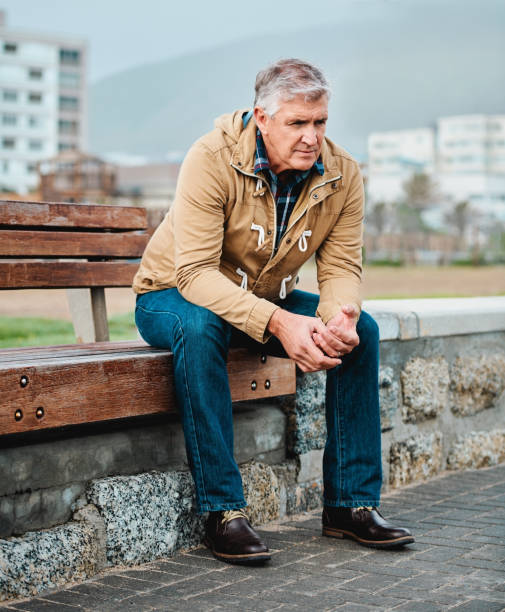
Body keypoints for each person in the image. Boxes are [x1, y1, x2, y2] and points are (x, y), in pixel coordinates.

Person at [133, 58, 414, 565]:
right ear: (262, 118)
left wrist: (340, 315)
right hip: (171, 296)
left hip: (263, 299)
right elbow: (194, 275)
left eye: (320, 122)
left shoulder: (343, 173)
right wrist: (278, 323)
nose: (312, 137)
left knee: (363, 332)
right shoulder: (211, 157)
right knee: (199, 328)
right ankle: (223, 512)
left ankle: (350, 505)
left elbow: (342, 265)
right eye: (297, 123)